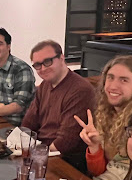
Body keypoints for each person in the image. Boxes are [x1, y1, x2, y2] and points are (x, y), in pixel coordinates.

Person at [75, 55, 132, 180]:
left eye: (124, 80)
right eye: (110, 77)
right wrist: (94, 147)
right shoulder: (105, 113)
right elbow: (98, 172)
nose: (113, 86)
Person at [21, 40, 94, 172]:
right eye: (37, 65)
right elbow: (29, 123)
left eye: (48, 61)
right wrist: (20, 146)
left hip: (65, 161)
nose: (43, 68)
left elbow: (65, 143)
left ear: (61, 58)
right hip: (42, 151)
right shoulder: (45, 85)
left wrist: (35, 156)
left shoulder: (80, 90)